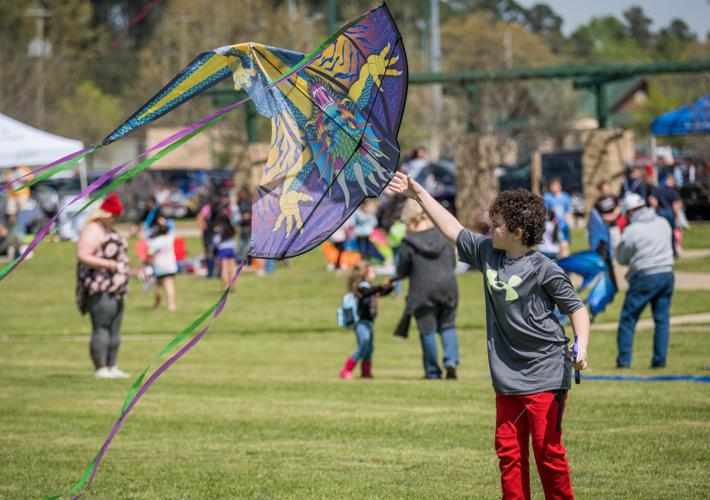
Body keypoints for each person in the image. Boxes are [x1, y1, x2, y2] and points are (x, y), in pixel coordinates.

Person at [387, 171, 590, 499]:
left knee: (547, 453)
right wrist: (418, 193)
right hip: (507, 376)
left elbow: (577, 309)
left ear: (517, 232)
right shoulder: (488, 253)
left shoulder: (545, 269)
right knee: (509, 455)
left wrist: (581, 344)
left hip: (547, 373)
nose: (489, 229)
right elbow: (453, 229)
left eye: (496, 225)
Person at [396, 201, 459, 379]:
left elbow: (402, 270)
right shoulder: (443, 236)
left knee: (427, 330)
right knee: (448, 325)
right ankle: (451, 361)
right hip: (448, 286)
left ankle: (432, 371)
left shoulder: (408, 241)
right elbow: (452, 263)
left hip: (421, 289)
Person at [615, 193, 675, 369]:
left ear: (630, 212)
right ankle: (659, 361)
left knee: (628, 318)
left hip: (644, 277)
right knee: (662, 320)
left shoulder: (632, 230)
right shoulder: (663, 222)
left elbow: (621, 258)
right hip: (667, 274)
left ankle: (624, 361)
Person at [76, 193, 130, 379]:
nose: (116, 219)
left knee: (115, 327)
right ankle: (100, 368)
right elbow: (83, 254)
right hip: (100, 286)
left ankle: (111, 365)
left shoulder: (108, 229)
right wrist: (110, 265)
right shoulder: (93, 229)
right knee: (102, 325)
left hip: (117, 286)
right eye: (114, 215)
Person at [339, 261, 395, 380]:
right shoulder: (362, 287)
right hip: (361, 323)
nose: (374, 273)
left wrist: (390, 287)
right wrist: (381, 285)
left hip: (369, 322)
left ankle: (366, 372)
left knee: (369, 349)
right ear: (365, 274)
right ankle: (346, 370)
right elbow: (368, 292)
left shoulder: (370, 288)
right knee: (363, 346)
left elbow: (381, 293)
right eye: (372, 271)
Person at [148, 215, 178, 311]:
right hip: (170, 265)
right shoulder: (170, 238)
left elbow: (150, 253)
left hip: (159, 266)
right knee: (169, 285)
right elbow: (172, 230)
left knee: (158, 286)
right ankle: (172, 305)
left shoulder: (155, 241)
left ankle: (157, 305)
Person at [649, 173, 682, 257]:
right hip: (670, 212)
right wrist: (678, 216)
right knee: (671, 232)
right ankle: (673, 252)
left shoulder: (658, 189)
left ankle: (661, 251)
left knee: (660, 233)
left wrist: (654, 209)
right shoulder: (673, 191)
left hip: (660, 212)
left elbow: (652, 200)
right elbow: (675, 205)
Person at [543, 178, 573, 258]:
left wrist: (570, 222)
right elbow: (544, 212)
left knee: (564, 246)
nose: (554, 187)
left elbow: (568, 211)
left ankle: (565, 266)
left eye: (556, 185)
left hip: (563, 226)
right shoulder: (547, 197)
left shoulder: (565, 197)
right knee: (552, 249)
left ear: (560, 186)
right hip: (552, 227)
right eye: (552, 186)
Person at [593, 180, 621, 253]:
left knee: (617, 243)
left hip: (616, 225)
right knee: (609, 245)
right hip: (605, 227)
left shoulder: (614, 197)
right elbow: (598, 216)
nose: (606, 190)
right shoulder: (597, 202)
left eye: (607, 188)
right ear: (600, 190)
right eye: (604, 189)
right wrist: (607, 217)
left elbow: (619, 207)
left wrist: (613, 215)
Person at [212, 211, 238, 290]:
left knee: (224, 269)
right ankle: (233, 287)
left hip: (223, 249)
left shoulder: (218, 228)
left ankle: (224, 287)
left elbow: (215, 241)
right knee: (232, 268)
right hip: (232, 248)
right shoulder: (231, 227)